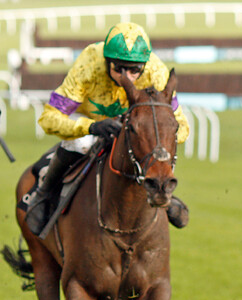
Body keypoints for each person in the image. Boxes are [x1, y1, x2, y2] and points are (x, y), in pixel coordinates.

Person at [23, 22, 190, 239]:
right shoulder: (89, 64)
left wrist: (151, 138)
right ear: (107, 61)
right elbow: (49, 119)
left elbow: (182, 128)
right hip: (88, 120)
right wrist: (91, 127)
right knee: (80, 143)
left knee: (148, 144)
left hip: (130, 128)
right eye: (119, 68)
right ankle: (44, 193)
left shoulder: (156, 73)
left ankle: (162, 193)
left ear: (144, 66)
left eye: (133, 70)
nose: (126, 77)